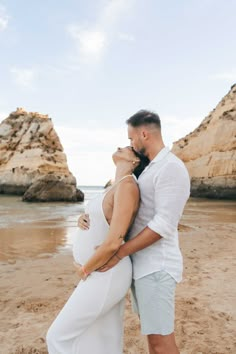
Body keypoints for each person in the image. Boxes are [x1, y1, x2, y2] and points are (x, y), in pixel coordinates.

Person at [79, 110, 190, 354]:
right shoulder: (149, 170)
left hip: (157, 268)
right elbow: (127, 213)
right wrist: (91, 217)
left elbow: (163, 225)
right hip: (143, 268)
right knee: (153, 339)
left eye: (131, 139)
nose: (130, 144)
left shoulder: (171, 168)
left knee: (161, 342)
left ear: (143, 133)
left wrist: (119, 253)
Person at [46, 146, 149, 354]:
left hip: (105, 273)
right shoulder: (115, 185)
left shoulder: (128, 186)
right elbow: (104, 218)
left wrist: (84, 270)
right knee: (102, 339)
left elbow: (114, 241)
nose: (121, 146)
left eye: (128, 148)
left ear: (135, 161)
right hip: (100, 271)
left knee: (57, 336)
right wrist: (82, 218)